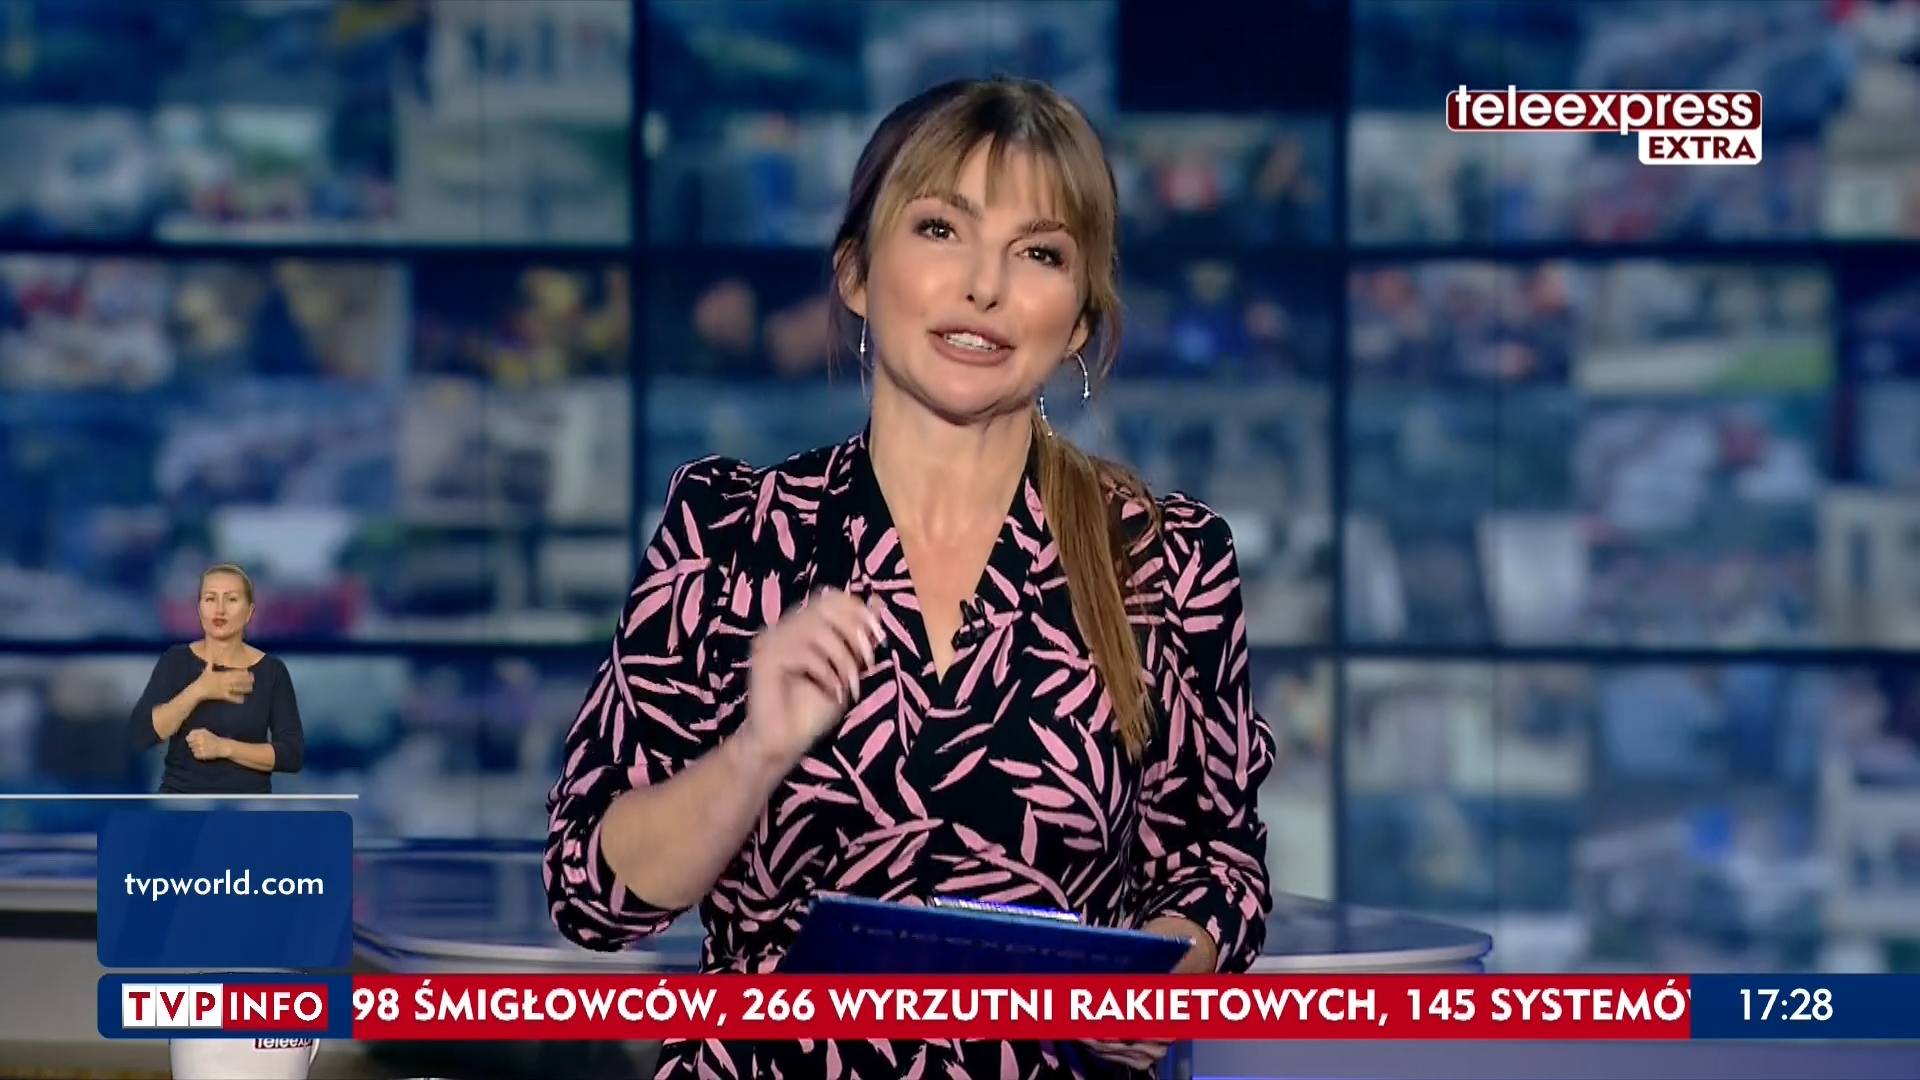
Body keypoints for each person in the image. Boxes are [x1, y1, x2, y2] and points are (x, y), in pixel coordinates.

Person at [546, 77, 1274, 1080]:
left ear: (1077, 320)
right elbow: (593, 897)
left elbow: (1216, 865)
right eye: (941, 230)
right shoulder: (730, 533)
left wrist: (1166, 970)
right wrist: (755, 753)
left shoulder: (1166, 559)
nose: (984, 287)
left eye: (1039, 253)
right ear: (855, 272)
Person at [130, 564, 306, 794]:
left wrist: (224, 748)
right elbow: (140, 736)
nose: (219, 609)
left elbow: (292, 755)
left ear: (249, 611)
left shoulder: (272, 671)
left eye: (231, 599)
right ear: (199, 609)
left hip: (248, 804)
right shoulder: (176, 661)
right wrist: (199, 690)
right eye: (211, 599)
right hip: (182, 801)